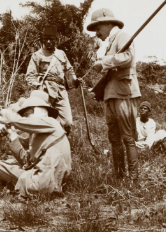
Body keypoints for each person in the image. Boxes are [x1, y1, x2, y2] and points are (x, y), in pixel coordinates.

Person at [0, 90, 72, 197]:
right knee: (1, 164)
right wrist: (12, 135)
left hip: (42, 182)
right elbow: (27, 161)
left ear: (38, 111)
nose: (25, 118)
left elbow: (18, 121)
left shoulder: (50, 122)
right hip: (48, 180)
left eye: (27, 114)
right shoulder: (43, 131)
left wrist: (7, 114)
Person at [88, 8, 141, 180]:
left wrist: (103, 61)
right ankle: (119, 175)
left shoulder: (123, 37)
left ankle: (134, 178)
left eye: (98, 27)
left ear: (108, 23)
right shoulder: (109, 44)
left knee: (127, 137)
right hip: (110, 95)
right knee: (114, 138)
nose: (97, 32)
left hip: (124, 92)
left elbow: (128, 58)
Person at [26, 25, 79, 134]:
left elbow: (69, 70)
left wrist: (75, 79)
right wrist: (38, 86)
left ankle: (61, 141)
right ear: (43, 39)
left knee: (67, 122)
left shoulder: (61, 54)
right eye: (46, 39)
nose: (49, 41)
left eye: (51, 39)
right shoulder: (37, 55)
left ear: (56, 40)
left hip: (60, 92)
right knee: (43, 122)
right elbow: (30, 76)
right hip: (45, 92)